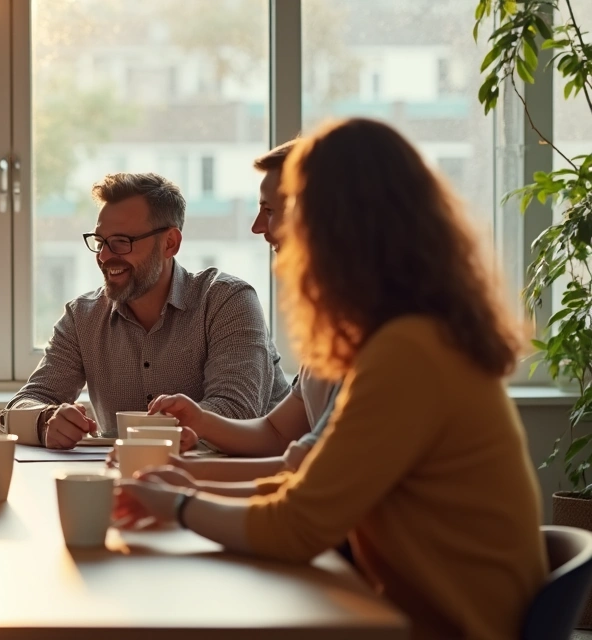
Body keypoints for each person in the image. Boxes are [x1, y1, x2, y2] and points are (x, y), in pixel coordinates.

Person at [113, 118, 546, 638]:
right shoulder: (402, 334)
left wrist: (180, 504)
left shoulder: (410, 351)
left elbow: (295, 527)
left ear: (332, 222)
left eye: (273, 209)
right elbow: (307, 478)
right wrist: (190, 483)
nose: (258, 228)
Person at [5, 172, 290, 449]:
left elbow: (237, 410)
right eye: (101, 241)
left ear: (170, 243)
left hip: (246, 485)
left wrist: (152, 438)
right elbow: (19, 408)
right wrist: (46, 421)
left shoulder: (227, 301)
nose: (104, 256)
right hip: (136, 483)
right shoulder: (83, 317)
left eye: (121, 242)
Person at [145, 140, 341, 485]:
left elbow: (308, 478)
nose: (257, 227)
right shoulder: (336, 326)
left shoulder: (389, 336)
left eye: (269, 210)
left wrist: (183, 485)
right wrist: (200, 420)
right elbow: (278, 433)